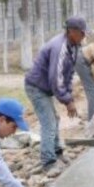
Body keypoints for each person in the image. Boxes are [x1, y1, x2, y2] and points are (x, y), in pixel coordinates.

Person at [24, 17, 84, 173]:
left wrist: (69, 95)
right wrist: (67, 101)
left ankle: (57, 153)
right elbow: (55, 78)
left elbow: (69, 74)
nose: (84, 36)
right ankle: (48, 162)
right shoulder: (60, 47)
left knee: (54, 119)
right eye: (81, 33)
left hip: (46, 87)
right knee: (49, 122)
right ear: (71, 32)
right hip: (36, 87)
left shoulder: (74, 46)